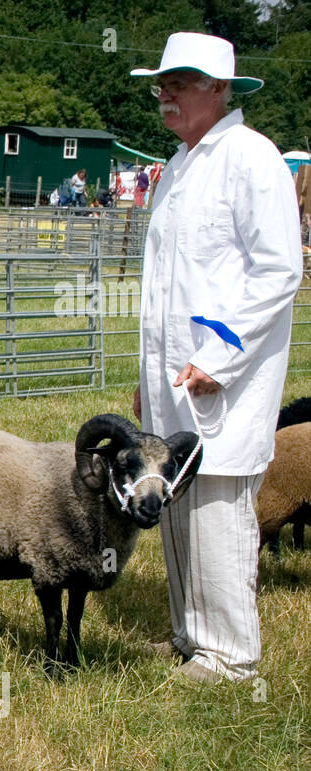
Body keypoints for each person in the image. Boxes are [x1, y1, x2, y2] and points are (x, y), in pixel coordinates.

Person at [130, 32, 303, 682]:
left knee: (217, 509)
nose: (166, 93)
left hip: (223, 380)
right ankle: (189, 634)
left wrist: (221, 357)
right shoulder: (178, 165)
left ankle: (231, 657)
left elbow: (278, 272)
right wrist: (149, 381)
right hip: (175, 378)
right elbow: (164, 290)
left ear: (220, 89)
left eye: (182, 81)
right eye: (163, 82)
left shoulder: (252, 159)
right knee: (178, 503)